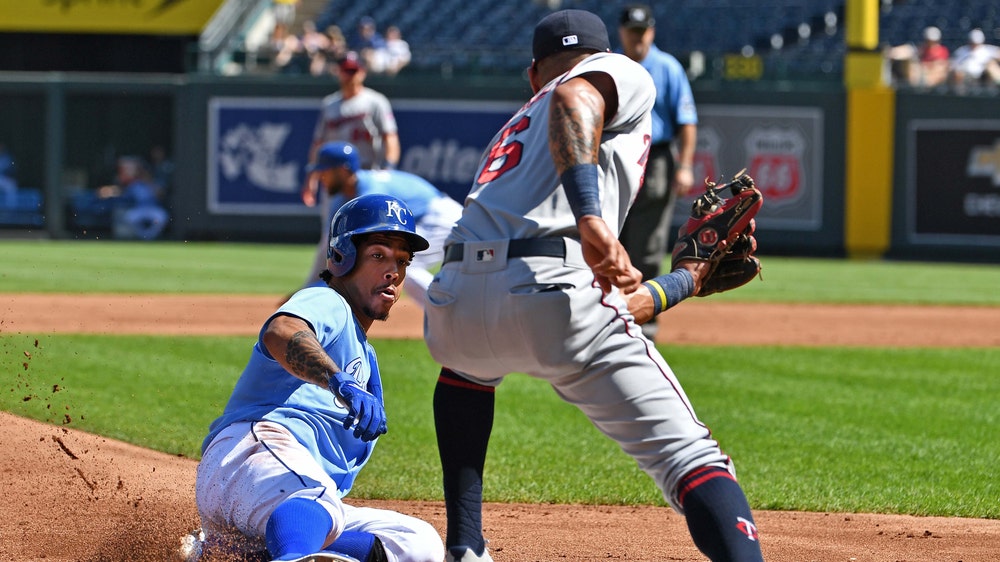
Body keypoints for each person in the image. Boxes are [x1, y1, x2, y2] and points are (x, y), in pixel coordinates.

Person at [422, 9, 764, 562]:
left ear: (532, 73)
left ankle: (464, 546)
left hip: (455, 299)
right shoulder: (620, 72)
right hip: (551, 285)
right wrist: (592, 221)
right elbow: (572, 100)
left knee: (466, 370)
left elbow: (599, 303)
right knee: (692, 460)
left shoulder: (517, 123)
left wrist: (684, 281)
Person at [191, 194, 445, 562]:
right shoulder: (327, 302)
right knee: (316, 497)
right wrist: (337, 379)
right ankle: (293, 556)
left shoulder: (364, 352)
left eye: (402, 261)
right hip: (252, 453)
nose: (394, 272)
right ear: (343, 257)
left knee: (417, 544)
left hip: (273, 495)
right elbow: (282, 330)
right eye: (378, 255)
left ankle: (242, 553)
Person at [616, 4, 699, 340]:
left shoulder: (666, 67)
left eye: (643, 31)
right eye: (632, 31)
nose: (638, 37)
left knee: (647, 244)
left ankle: (644, 321)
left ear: (651, 31)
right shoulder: (612, 65)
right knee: (611, 235)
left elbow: (686, 121)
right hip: (617, 155)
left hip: (656, 157)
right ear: (622, 32)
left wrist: (686, 166)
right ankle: (607, 311)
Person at [301, 141, 463, 308]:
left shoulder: (370, 194)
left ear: (342, 170)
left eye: (324, 171)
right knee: (393, 263)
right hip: (427, 219)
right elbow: (329, 245)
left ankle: (446, 308)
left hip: (441, 218)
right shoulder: (341, 199)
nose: (321, 178)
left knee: (401, 263)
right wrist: (307, 290)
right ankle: (445, 308)